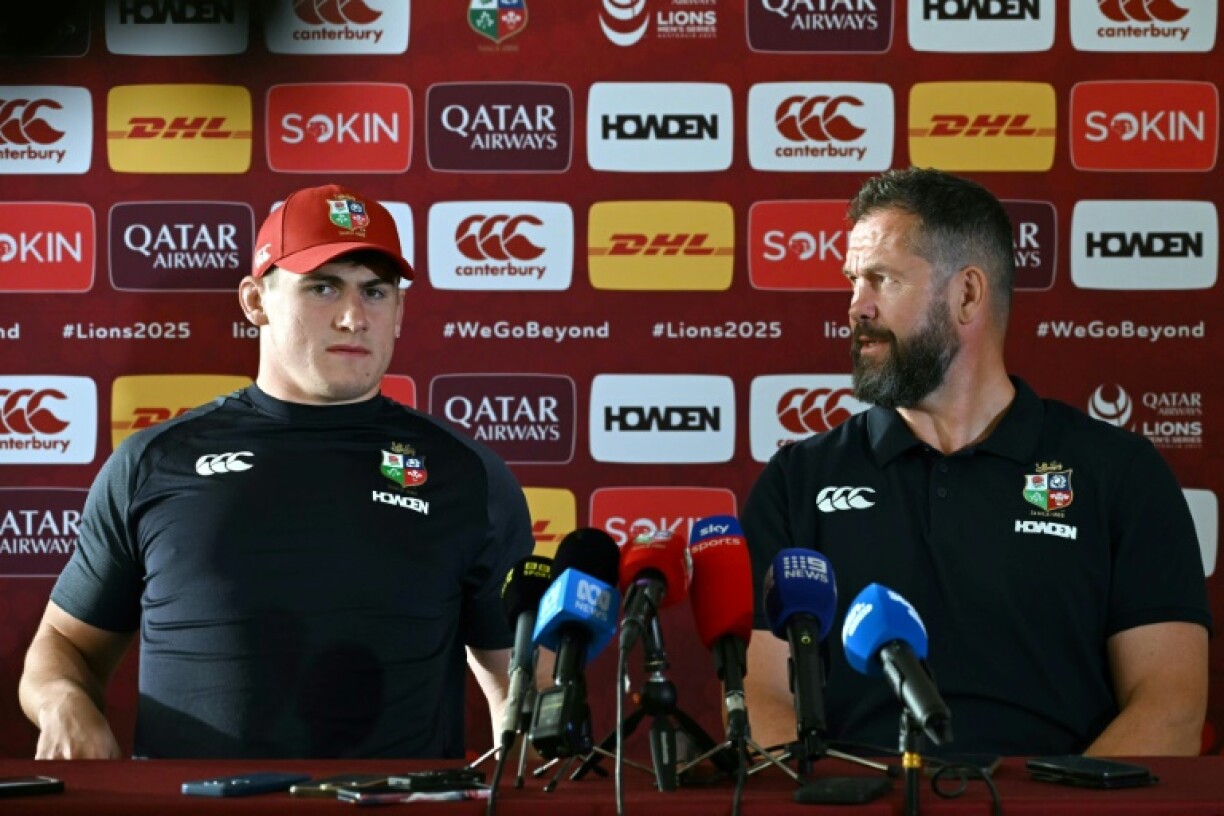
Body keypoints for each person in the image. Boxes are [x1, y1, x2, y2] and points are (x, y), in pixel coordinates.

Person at [19, 183, 535, 759]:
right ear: (254, 301)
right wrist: (62, 700)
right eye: (323, 287)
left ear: (399, 311)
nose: (352, 317)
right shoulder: (153, 463)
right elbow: (65, 644)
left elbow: (517, 682)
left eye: (375, 291)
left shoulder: (467, 474)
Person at [742, 167, 1211, 757]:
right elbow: (762, 696)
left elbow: (1171, 707)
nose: (856, 306)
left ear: (966, 294)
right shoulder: (797, 482)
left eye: (881, 280)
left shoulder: (1119, 472)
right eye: (852, 281)